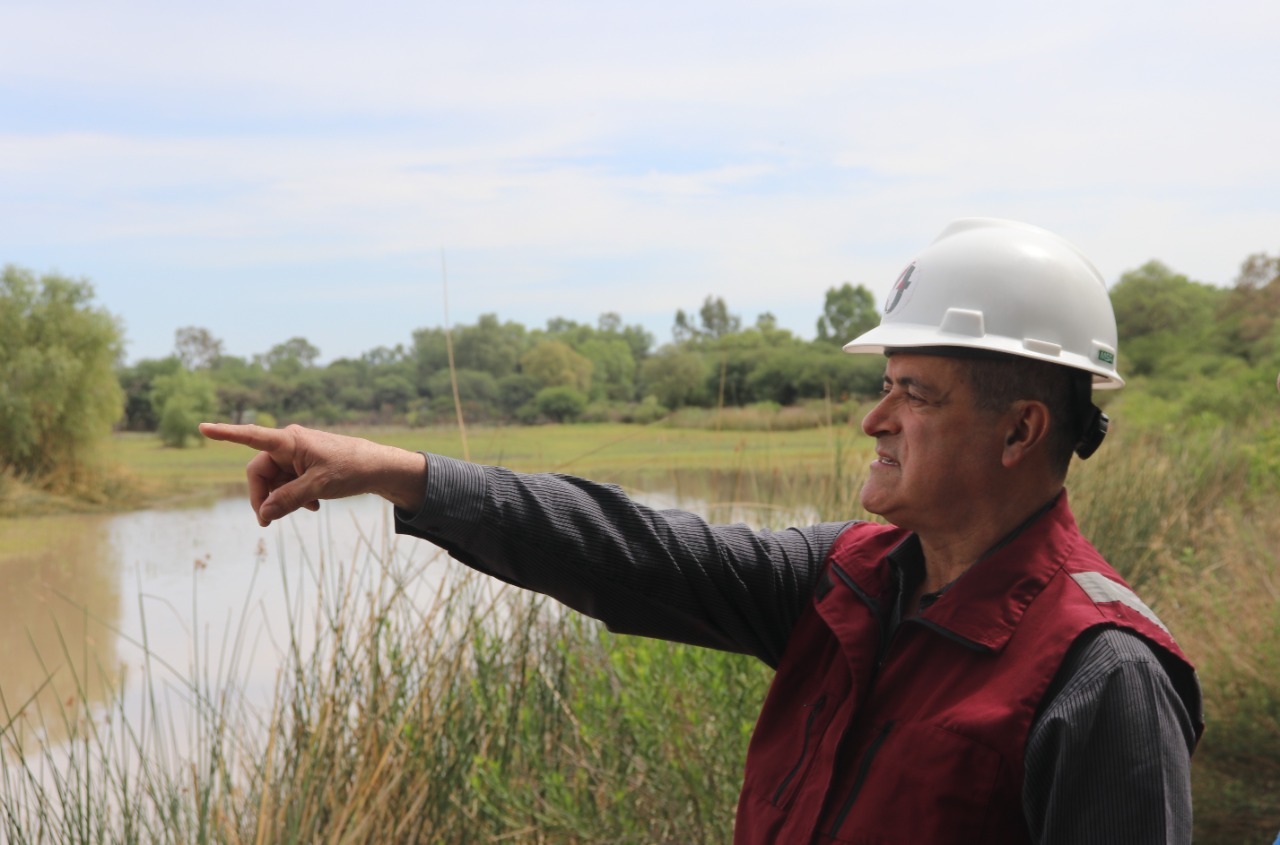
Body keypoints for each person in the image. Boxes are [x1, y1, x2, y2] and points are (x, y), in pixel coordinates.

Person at [201, 218, 1203, 844]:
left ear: (1019, 429)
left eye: (910, 392)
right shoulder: (843, 578)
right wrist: (404, 475)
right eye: (880, 386)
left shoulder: (1098, 672)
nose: (873, 418)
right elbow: (626, 549)